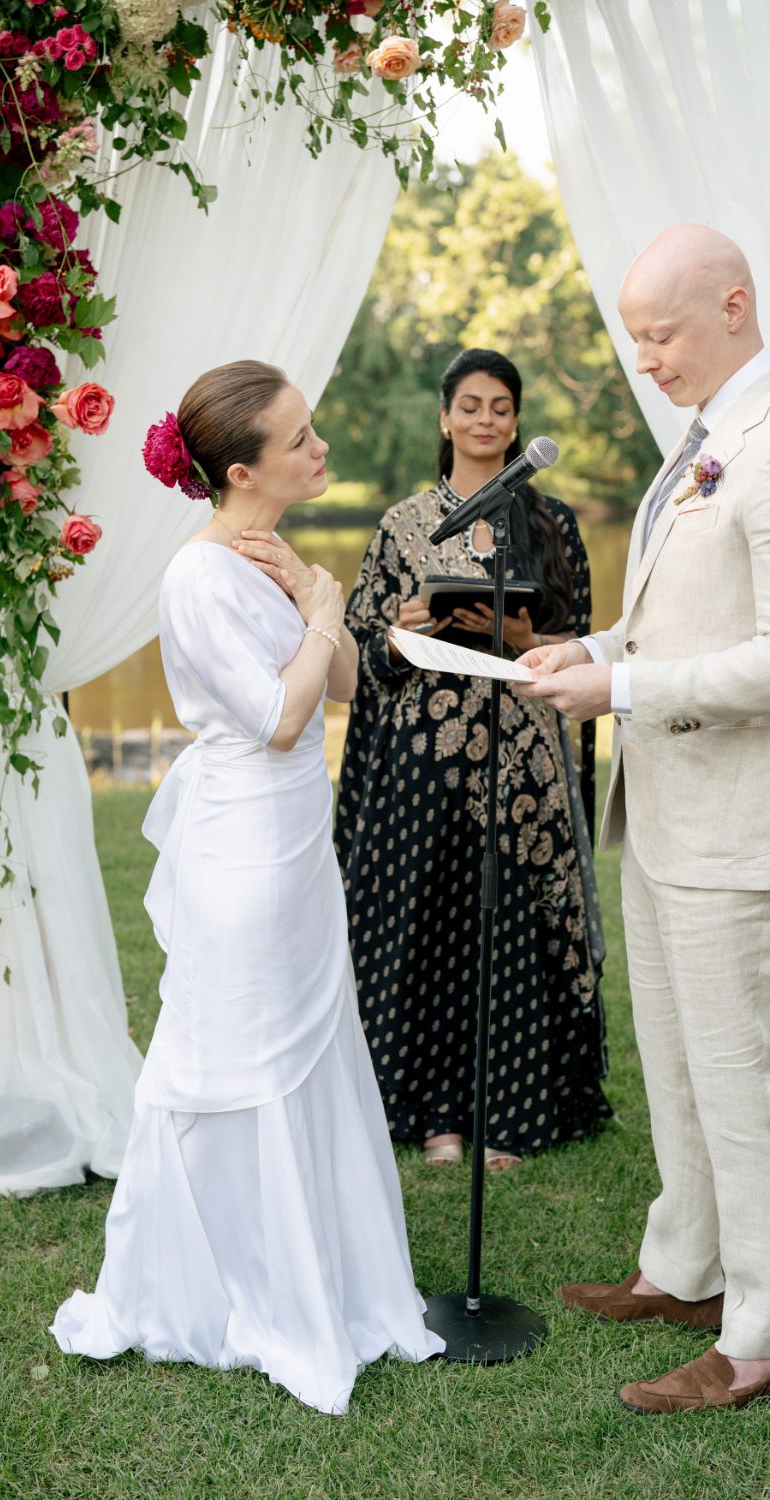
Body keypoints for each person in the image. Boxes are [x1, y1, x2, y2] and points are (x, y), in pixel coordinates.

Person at [50, 360, 443, 1414]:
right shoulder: (197, 577)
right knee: (235, 1057)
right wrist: (322, 610)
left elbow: (343, 682)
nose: (321, 447)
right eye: (300, 437)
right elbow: (278, 719)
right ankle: (218, 1286)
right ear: (241, 470)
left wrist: (316, 599)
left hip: (297, 844)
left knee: (309, 1048)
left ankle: (325, 1272)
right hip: (242, 852)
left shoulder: (271, 556)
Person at [519, 224, 770, 1415]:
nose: (645, 358)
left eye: (659, 333)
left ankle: (756, 1333)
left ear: (733, 306)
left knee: (740, 1083)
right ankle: (685, 1268)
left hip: (735, 829)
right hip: (663, 814)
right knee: (673, 1060)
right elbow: (683, 618)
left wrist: (621, 688)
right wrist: (595, 647)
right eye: (636, 337)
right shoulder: (701, 438)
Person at [334, 347, 611, 1172]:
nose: (486, 419)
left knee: (509, 927)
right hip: (424, 758)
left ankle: (510, 1112)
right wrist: (402, 633)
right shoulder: (403, 524)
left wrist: (523, 636)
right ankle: (433, 1118)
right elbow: (358, 653)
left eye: (501, 407)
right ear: (445, 417)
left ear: (517, 422)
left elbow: (583, 641)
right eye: (471, 405)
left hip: (521, 759)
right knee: (428, 927)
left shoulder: (551, 524)